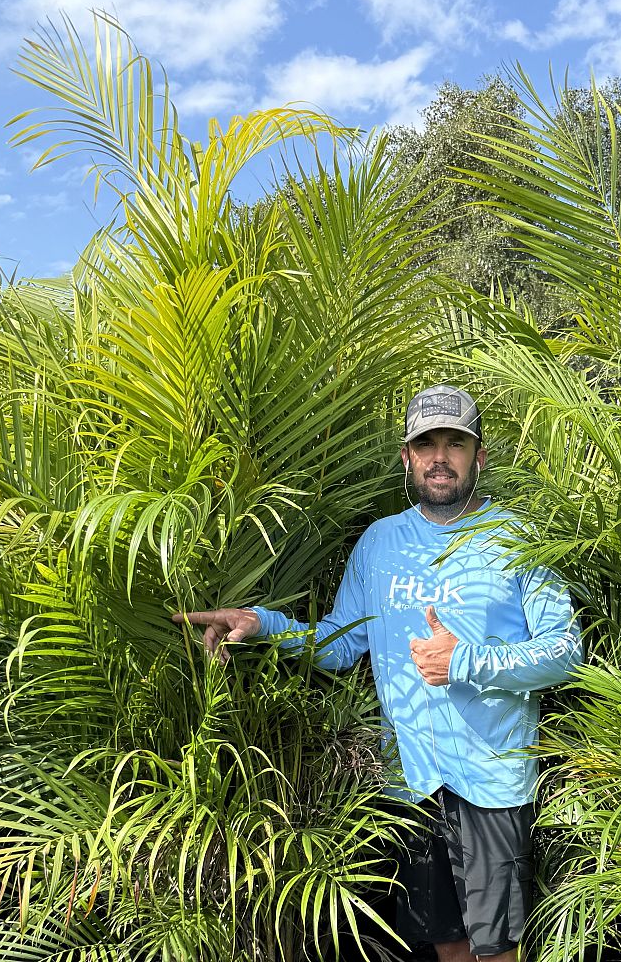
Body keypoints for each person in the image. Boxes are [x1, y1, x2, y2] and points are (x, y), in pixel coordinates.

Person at [173, 384, 581, 962]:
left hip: (492, 784)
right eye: (426, 444)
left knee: (496, 950)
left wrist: (465, 661)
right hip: (411, 781)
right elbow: (340, 645)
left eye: (455, 443)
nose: (440, 457)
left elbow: (565, 649)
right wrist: (262, 623)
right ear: (407, 459)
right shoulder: (379, 543)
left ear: (479, 457)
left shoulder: (517, 538)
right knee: (445, 944)